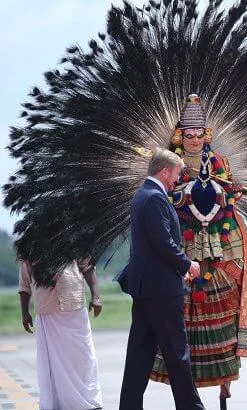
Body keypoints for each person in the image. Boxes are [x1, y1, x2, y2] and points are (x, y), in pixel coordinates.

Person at [149, 94, 247, 410]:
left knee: (223, 301)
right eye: (188, 135)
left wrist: (230, 194)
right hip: (183, 242)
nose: (194, 141)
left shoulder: (218, 161)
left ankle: (223, 380)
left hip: (217, 244)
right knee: (181, 310)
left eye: (199, 135)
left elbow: (230, 198)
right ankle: (184, 384)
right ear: (181, 135)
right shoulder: (172, 163)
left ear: (206, 135)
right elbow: (164, 199)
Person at [117, 149, 204, 410]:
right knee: (178, 354)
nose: (176, 181)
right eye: (176, 175)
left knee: (139, 355)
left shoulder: (142, 195)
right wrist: (188, 263)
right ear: (164, 171)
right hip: (162, 290)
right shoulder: (155, 198)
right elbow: (162, 242)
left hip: (145, 289)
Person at [18, 259, 103, 410]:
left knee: (83, 358)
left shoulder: (73, 237)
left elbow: (89, 269)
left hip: (76, 309)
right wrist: (24, 312)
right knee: (52, 365)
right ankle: (58, 405)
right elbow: (24, 284)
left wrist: (96, 297)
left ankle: (88, 403)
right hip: (47, 311)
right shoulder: (29, 245)